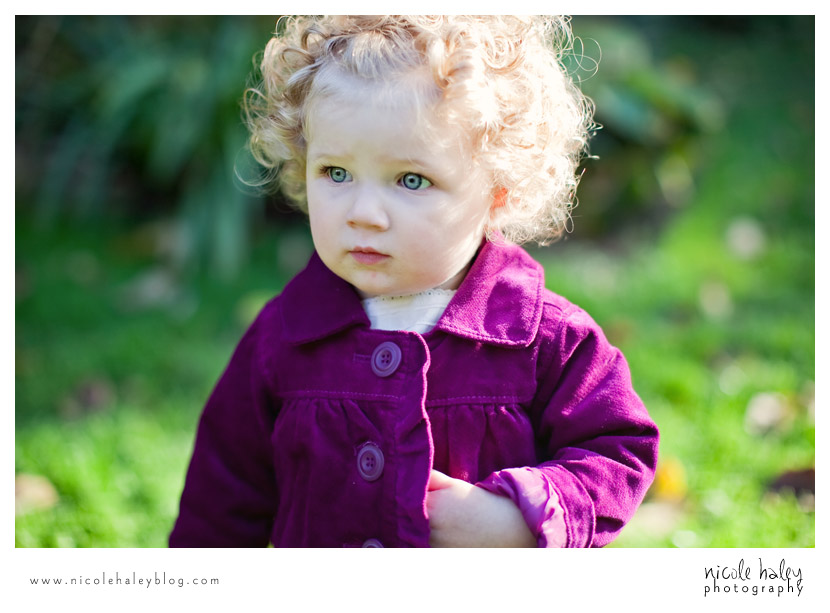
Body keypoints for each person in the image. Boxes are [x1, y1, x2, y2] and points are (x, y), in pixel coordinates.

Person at [169, 15, 658, 548]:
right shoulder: (283, 338)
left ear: (499, 191)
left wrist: (520, 517)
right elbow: (220, 501)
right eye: (336, 173)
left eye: (411, 180)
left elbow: (619, 450)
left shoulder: (548, 342)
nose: (364, 213)